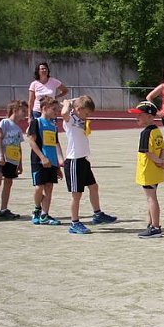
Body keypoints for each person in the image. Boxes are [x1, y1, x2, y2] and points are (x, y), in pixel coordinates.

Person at [60, 96, 118, 234]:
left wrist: (75, 101)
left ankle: (98, 214)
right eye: (86, 113)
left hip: (83, 160)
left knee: (93, 186)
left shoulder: (79, 118)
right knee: (77, 194)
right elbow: (63, 113)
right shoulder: (70, 120)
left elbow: (81, 100)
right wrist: (68, 103)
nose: (87, 117)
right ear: (79, 109)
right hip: (74, 161)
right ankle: (74, 223)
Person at [129, 101, 164, 238]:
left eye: (140, 115)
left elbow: (147, 153)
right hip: (155, 170)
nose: (137, 117)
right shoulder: (157, 131)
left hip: (147, 171)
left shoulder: (146, 133)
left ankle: (155, 227)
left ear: (149, 116)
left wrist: (160, 162)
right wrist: (161, 162)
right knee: (151, 198)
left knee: (151, 198)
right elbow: (163, 149)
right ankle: (151, 223)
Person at [0, 100, 28, 223]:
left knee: (8, 182)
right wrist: (1, 155)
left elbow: (18, 147)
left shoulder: (18, 129)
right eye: (23, 111)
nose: (25, 113)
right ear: (15, 110)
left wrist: (20, 164)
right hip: (1, 158)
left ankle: (3, 209)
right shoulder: (4, 122)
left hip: (13, 160)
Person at [27, 97, 64, 226]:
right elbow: (31, 141)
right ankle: (37, 209)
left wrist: (58, 165)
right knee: (39, 187)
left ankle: (44, 215)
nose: (56, 112)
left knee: (49, 187)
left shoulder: (53, 126)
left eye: (57, 110)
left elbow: (55, 144)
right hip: (39, 161)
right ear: (44, 108)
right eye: (54, 109)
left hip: (52, 162)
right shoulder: (36, 122)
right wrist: (42, 157)